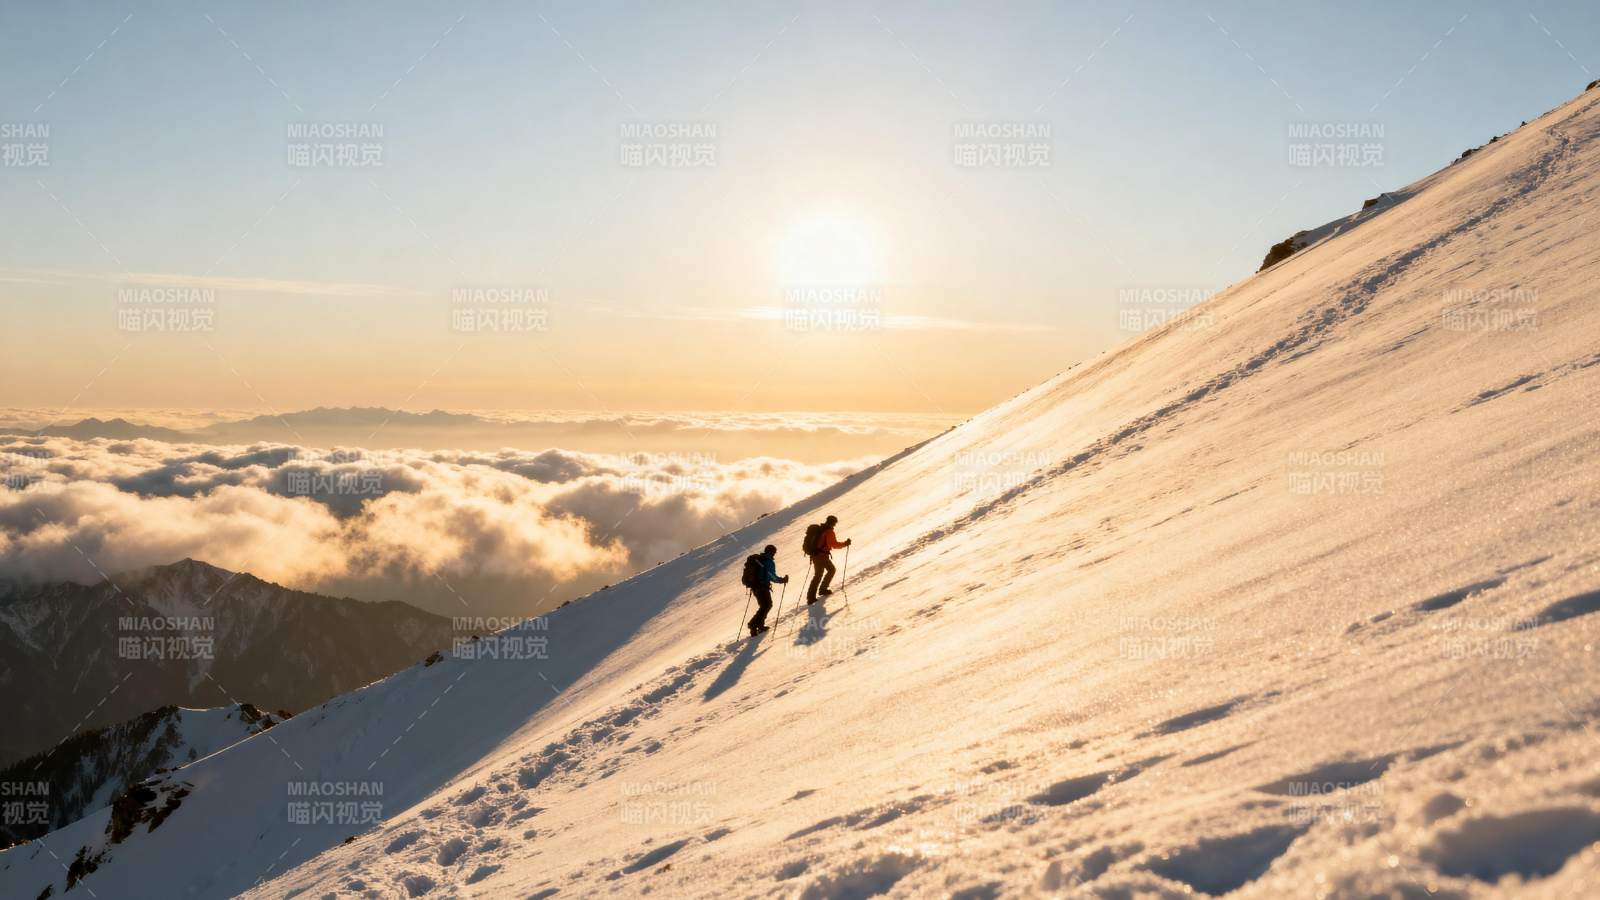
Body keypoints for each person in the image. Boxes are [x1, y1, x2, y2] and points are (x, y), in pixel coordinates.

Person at [807, 514, 851, 604]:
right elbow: (834, 544)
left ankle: (812, 596)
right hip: (822, 556)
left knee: (819, 575)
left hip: (816, 555)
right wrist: (845, 543)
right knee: (830, 570)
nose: (834, 525)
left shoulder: (821, 529)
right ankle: (821, 591)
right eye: (834, 523)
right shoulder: (829, 531)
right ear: (833, 523)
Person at [748, 544, 789, 635]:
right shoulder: (768, 561)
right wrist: (782, 580)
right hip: (762, 587)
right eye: (774, 552)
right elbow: (772, 576)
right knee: (767, 606)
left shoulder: (760, 559)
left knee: (764, 606)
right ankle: (753, 625)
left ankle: (760, 625)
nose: (774, 554)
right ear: (772, 552)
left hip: (755, 587)